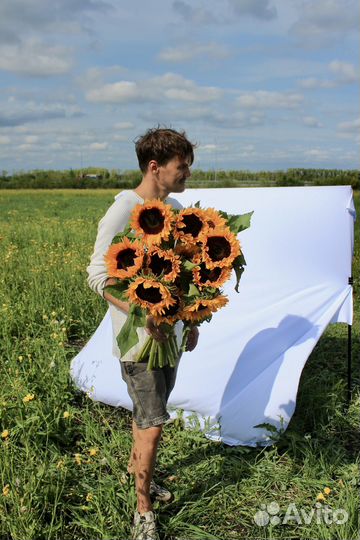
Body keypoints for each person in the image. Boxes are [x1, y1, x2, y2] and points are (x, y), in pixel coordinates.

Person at [86, 127, 199, 540]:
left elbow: (185, 272)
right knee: (152, 423)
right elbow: (98, 276)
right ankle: (143, 511)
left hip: (170, 336)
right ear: (156, 167)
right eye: (181, 167)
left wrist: (192, 319)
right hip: (139, 342)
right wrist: (142, 312)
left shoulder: (175, 208)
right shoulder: (123, 209)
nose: (187, 174)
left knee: (146, 418)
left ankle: (143, 477)